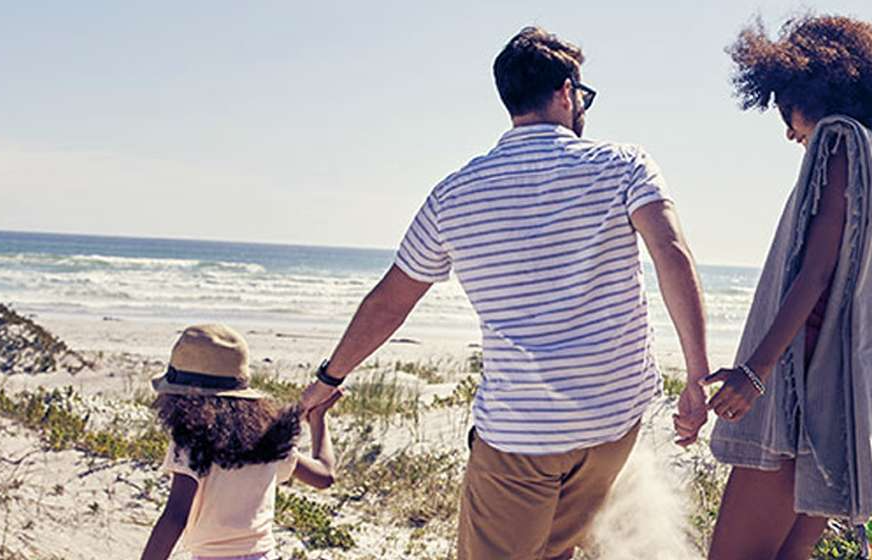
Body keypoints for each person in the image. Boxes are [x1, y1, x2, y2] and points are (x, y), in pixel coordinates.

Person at [296, 26, 712, 560]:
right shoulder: (623, 164)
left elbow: (391, 301)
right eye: (581, 97)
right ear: (566, 92)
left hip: (522, 433)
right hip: (612, 423)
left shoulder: (455, 193)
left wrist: (330, 377)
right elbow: (671, 252)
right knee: (555, 550)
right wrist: (697, 376)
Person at [673, 14, 872, 560]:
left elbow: (815, 273)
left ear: (812, 89)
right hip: (843, 418)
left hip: (796, 402)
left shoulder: (838, 143)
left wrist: (754, 372)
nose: (790, 132)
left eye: (786, 112)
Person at [140, 324, 340, 560]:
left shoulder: (192, 440)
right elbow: (324, 475)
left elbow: (175, 516)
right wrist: (318, 420)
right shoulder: (266, 435)